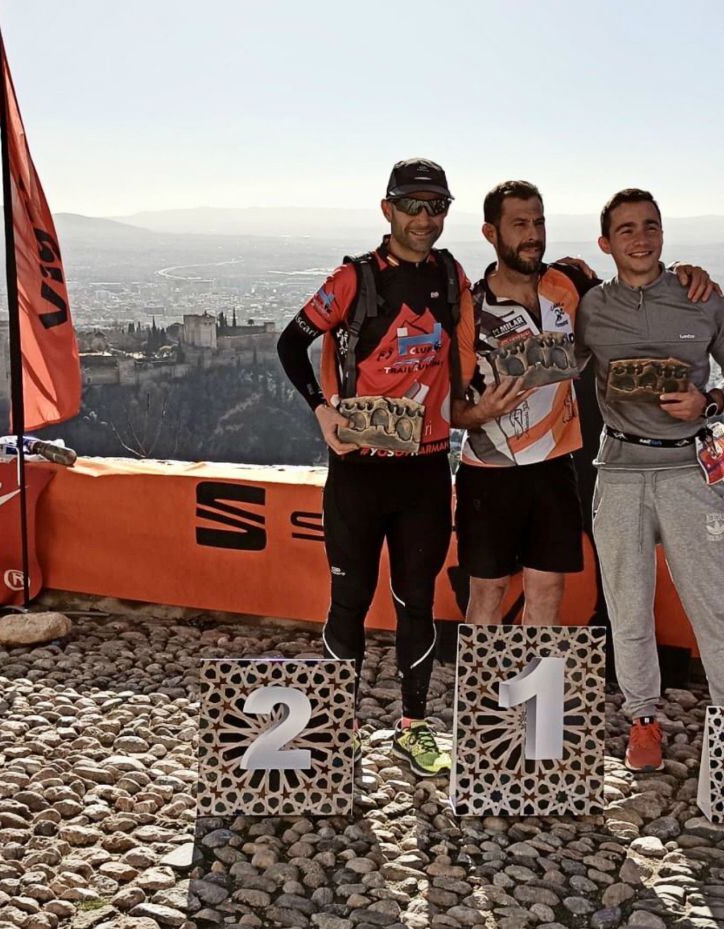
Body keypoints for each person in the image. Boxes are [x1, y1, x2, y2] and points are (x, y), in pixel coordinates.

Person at [277, 158, 474, 777]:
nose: (424, 218)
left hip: (424, 469)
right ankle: (341, 729)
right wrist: (321, 412)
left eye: (436, 206)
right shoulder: (354, 278)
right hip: (359, 470)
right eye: (412, 205)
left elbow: (468, 355)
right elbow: (290, 342)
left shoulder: (450, 273)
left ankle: (414, 729)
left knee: (417, 601)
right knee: (349, 600)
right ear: (386, 208)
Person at [451, 180, 717, 627]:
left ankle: (529, 697)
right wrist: (479, 414)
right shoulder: (470, 308)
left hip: (556, 466)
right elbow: (449, 408)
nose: (533, 233)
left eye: (539, 221)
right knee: (488, 592)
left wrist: (684, 274)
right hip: (489, 472)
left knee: (548, 591)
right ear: (490, 233)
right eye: (519, 224)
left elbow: (634, 285)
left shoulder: (571, 282)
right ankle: (483, 696)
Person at [576, 188, 724, 773]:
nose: (641, 237)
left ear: (663, 233)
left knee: (715, 608)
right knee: (627, 610)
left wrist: (711, 401)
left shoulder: (700, 297)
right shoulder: (590, 308)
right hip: (621, 472)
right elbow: (555, 356)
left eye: (650, 226)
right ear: (606, 244)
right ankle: (642, 722)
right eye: (626, 229)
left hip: (689, 470)